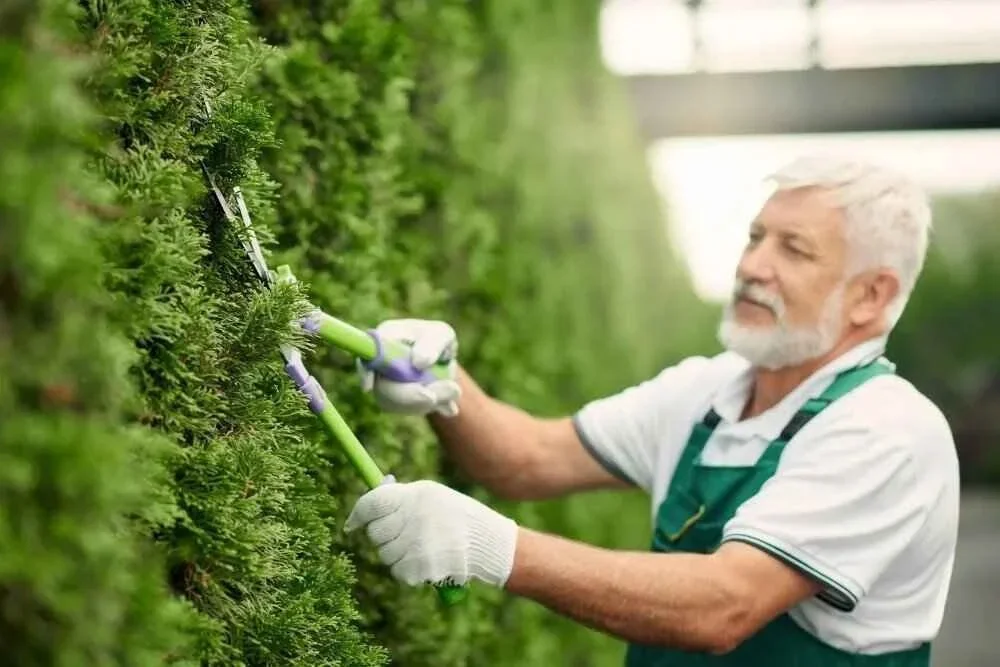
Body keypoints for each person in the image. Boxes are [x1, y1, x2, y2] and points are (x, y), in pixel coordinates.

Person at [344, 155, 960, 665]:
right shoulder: (706, 392)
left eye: (793, 250)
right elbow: (526, 460)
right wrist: (445, 382)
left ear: (870, 296)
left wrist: (492, 545)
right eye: (755, 237)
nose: (751, 266)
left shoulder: (887, 430)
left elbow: (724, 606)